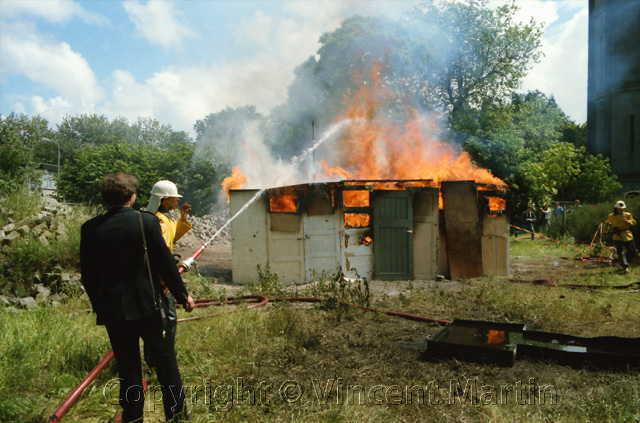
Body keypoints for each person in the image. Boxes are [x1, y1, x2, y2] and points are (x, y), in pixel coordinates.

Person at [80, 173, 195, 422]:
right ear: (132, 197)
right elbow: (165, 264)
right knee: (166, 364)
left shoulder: (90, 229)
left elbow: (88, 276)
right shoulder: (145, 222)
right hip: (148, 307)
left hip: (114, 313)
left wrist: (101, 306)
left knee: (128, 368)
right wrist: (183, 295)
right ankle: (177, 417)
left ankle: (133, 419)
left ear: (105, 199)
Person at [144, 180, 192, 367]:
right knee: (164, 319)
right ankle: (159, 360)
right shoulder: (159, 220)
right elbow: (160, 251)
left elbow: (173, 237)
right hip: (159, 279)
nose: (176, 201)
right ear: (164, 200)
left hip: (164, 277)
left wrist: (182, 220)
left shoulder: (167, 218)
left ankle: (162, 357)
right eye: (174, 199)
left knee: (168, 318)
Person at [603, 200, 637, 273]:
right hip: (617, 235)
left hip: (627, 234)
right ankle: (625, 266)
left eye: (622, 209)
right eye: (619, 209)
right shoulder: (611, 216)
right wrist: (605, 231)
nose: (621, 210)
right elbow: (607, 223)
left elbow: (634, 221)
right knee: (620, 250)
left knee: (633, 250)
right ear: (616, 209)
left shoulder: (628, 215)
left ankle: (625, 262)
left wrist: (629, 222)